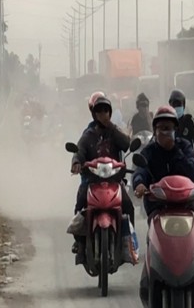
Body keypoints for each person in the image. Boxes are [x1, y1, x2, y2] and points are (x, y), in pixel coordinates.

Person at [131, 105, 194, 306]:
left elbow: (193, 170)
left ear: (175, 129)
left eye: (169, 128)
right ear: (155, 130)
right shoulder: (149, 151)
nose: (165, 132)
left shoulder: (185, 147)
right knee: (153, 243)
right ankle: (150, 276)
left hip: (184, 207)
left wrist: (175, 150)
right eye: (161, 128)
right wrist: (140, 184)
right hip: (158, 208)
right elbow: (139, 171)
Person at [70, 92, 134, 263]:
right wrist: (76, 162)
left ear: (110, 113)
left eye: (106, 111)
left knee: (128, 205)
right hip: (92, 182)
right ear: (94, 114)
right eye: (99, 111)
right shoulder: (88, 135)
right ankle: (79, 242)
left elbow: (127, 144)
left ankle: (127, 241)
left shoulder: (115, 132)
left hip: (114, 181)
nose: (103, 114)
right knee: (80, 201)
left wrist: (112, 127)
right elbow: (79, 151)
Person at [168, 89, 194, 157]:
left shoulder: (189, 120)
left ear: (183, 105)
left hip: (187, 159)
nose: (176, 107)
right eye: (174, 104)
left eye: (178, 104)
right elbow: (156, 137)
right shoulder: (164, 122)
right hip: (169, 160)